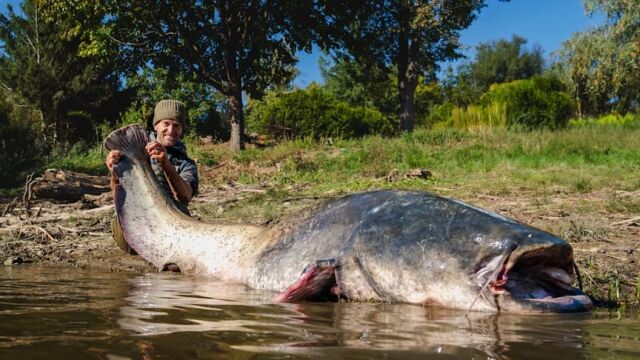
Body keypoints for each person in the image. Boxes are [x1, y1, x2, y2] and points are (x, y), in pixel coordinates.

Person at [106, 99, 199, 255]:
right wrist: (114, 172)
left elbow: (185, 196)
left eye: (177, 126)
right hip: (135, 222)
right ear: (156, 126)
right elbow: (117, 191)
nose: (171, 130)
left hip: (170, 224)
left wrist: (166, 164)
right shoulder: (133, 151)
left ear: (182, 130)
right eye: (166, 124)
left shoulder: (187, 163)